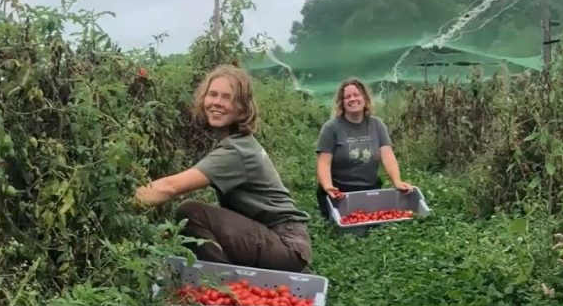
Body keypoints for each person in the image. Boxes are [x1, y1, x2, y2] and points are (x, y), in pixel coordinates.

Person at [134, 64, 312, 272]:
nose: (217, 103)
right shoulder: (238, 142)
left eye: (227, 97)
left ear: (243, 108)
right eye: (213, 95)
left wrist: (119, 205)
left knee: (190, 212)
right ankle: (232, 283)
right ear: (203, 99)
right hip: (283, 241)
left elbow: (169, 187)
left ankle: (225, 287)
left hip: (287, 246)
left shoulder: (236, 151)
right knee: (195, 219)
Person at [315, 77, 412, 220]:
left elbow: (387, 155)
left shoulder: (377, 125)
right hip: (339, 192)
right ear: (342, 103)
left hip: (369, 189)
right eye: (347, 97)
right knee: (341, 228)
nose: (352, 99)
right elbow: (324, 162)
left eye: (356, 95)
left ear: (365, 98)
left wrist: (396, 181)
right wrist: (328, 186)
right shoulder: (331, 127)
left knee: (373, 227)